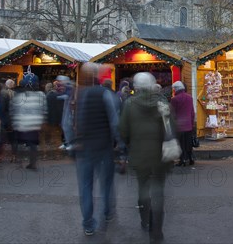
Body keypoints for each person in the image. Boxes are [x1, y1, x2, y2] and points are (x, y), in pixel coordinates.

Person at [120, 72, 175, 243]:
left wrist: (130, 143)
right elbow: (172, 127)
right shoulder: (162, 103)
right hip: (160, 157)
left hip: (139, 155)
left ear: (136, 86)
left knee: (143, 189)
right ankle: (156, 231)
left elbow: (123, 131)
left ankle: (145, 219)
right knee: (158, 192)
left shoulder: (129, 104)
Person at [72, 63, 120, 236]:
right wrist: (119, 142)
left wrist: (73, 141)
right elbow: (114, 121)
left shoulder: (78, 94)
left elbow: (70, 121)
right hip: (103, 146)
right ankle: (107, 212)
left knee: (85, 186)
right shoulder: (105, 94)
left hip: (83, 147)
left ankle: (88, 223)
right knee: (106, 183)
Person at [10, 73, 46, 171]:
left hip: (22, 124)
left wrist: (14, 122)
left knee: (20, 142)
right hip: (35, 124)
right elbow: (44, 110)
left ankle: (20, 162)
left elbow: (14, 110)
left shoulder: (19, 96)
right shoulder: (41, 96)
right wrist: (42, 121)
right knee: (33, 144)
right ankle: (32, 163)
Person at [170, 81, 195, 167]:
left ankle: (183, 160)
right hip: (188, 125)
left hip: (179, 126)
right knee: (188, 143)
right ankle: (191, 158)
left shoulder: (174, 99)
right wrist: (192, 123)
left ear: (176, 89)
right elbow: (192, 112)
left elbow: (172, 113)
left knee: (181, 144)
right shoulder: (190, 98)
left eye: (173, 89)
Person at [0, 79, 17, 163]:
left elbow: (1, 108)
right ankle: (14, 157)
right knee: (13, 139)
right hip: (14, 120)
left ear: (6, 85)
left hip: (6, 120)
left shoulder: (3, 93)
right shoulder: (16, 94)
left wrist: (0, 117)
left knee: (2, 139)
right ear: (13, 85)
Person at [43, 79, 66, 158]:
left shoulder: (48, 95)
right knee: (57, 138)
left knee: (46, 138)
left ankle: (45, 155)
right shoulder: (60, 96)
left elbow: (45, 108)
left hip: (49, 119)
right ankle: (57, 154)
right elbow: (62, 109)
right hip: (58, 120)